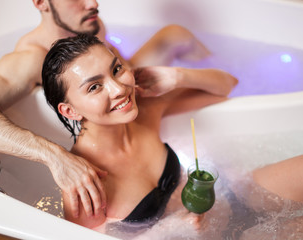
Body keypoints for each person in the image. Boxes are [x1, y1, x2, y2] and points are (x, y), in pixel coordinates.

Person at [0, 0, 210, 219]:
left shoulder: (89, 23)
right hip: (104, 118)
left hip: (126, 95)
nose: (93, 4)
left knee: (177, 34)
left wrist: (170, 78)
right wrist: (55, 156)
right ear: (40, 2)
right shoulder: (32, 58)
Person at [41, 34, 238, 230]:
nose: (118, 88)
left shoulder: (147, 107)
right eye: (94, 87)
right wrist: (170, 229)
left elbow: (227, 84)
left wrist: (177, 76)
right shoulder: (84, 184)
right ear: (70, 111)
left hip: (226, 202)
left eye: (116, 69)